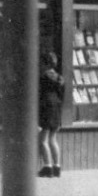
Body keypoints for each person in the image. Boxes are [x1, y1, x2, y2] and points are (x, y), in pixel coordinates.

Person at [37, 49, 64, 178]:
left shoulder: (43, 77)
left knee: (43, 140)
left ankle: (47, 167)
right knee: (53, 139)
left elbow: (38, 94)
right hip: (56, 108)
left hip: (46, 107)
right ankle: (57, 167)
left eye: (41, 62)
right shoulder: (59, 78)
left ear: (46, 63)